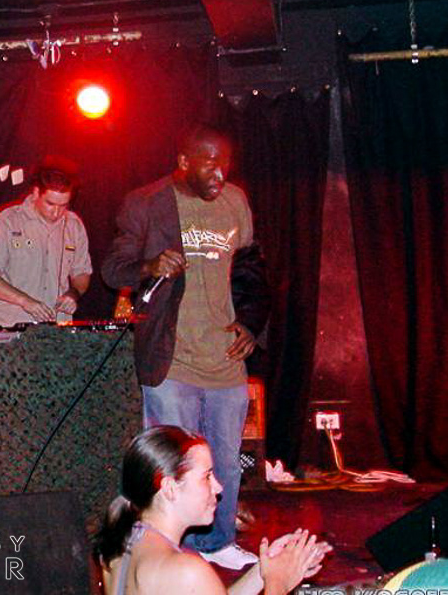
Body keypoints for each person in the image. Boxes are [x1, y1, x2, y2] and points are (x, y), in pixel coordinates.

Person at [101, 124, 271, 570]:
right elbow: (113, 269)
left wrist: (251, 323)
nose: (220, 174)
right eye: (210, 164)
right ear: (183, 162)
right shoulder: (147, 202)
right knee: (172, 468)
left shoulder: (235, 201)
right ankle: (169, 552)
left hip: (224, 358)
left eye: (225, 164)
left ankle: (218, 541)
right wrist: (149, 266)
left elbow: (251, 269)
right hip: (171, 357)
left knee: (225, 463)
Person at [95, 426, 330, 595]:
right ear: (170, 488)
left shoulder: (123, 541)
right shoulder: (186, 570)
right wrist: (278, 582)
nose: (218, 487)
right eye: (206, 477)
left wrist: (264, 570)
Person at [0, 161, 92, 327]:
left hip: (57, 326)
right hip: (11, 325)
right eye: (50, 204)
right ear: (36, 193)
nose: (56, 212)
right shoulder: (7, 220)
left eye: (63, 205)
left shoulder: (74, 225)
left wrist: (73, 293)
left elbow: (82, 273)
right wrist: (25, 301)